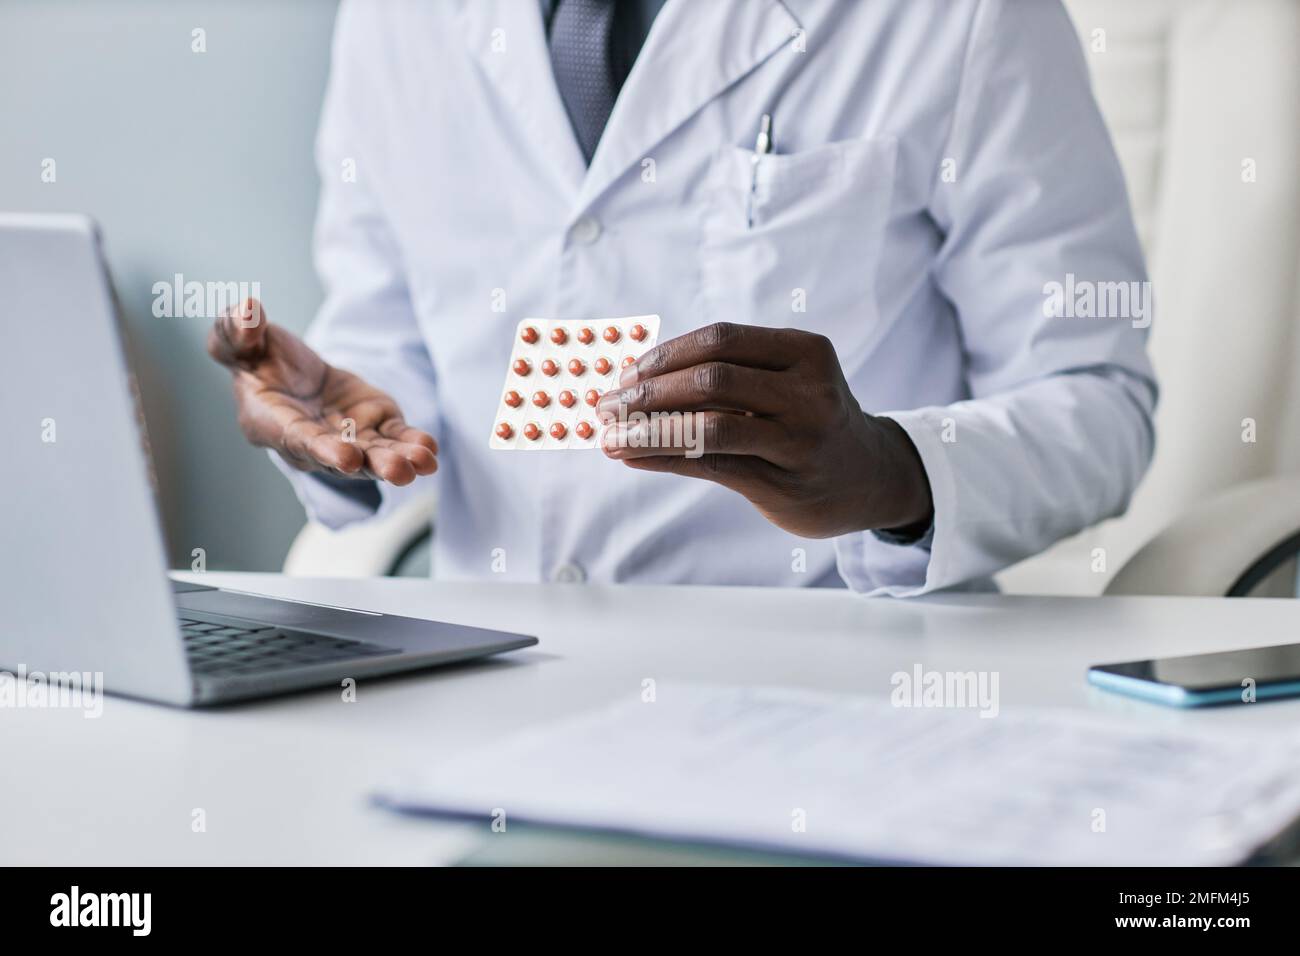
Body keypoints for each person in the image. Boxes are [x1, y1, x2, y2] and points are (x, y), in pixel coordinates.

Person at [209, 0, 1156, 595]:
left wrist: (888, 472)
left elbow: (1097, 397)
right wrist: (337, 430)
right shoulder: (393, 20)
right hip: (488, 679)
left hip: (827, 691)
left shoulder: (956, 16)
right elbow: (388, 347)